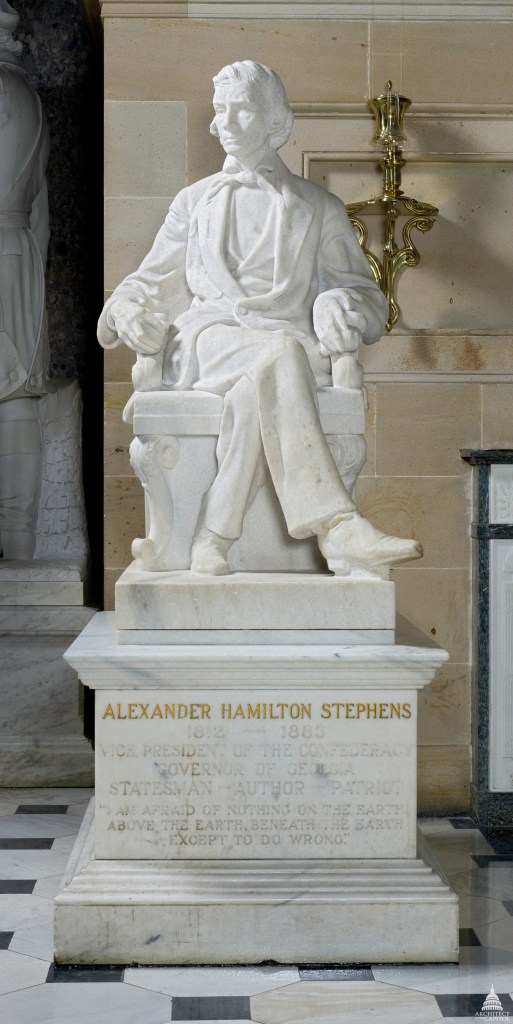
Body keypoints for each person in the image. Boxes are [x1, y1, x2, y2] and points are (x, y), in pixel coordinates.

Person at [98, 60, 422, 578]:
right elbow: (145, 283)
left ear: (275, 121)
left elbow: (368, 300)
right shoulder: (193, 203)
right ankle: (338, 526)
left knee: (255, 391)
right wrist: (126, 310)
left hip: (278, 356)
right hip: (208, 344)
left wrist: (337, 303)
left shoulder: (319, 207)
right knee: (281, 355)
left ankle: (213, 535)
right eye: (220, 110)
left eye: (241, 109)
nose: (224, 122)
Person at [0, 0, 50, 560]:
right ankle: (18, 538)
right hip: (21, 254)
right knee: (15, 395)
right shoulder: (29, 97)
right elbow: (42, 213)